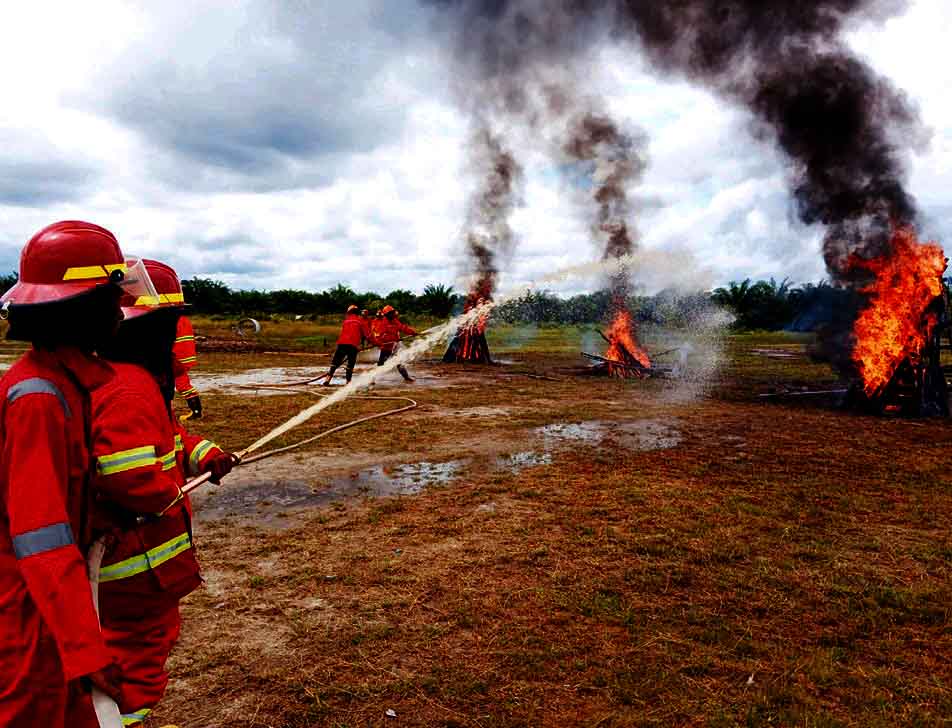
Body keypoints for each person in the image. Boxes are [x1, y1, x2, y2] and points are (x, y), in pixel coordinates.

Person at [83, 258, 236, 727]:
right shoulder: (130, 388)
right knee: (140, 657)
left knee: (126, 652)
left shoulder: (124, 380)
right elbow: (128, 475)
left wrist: (204, 454)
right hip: (138, 569)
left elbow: (167, 436)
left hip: (129, 571)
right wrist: (164, 493)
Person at [0, 220, 140, 726]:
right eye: (111, 297)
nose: (121, 311)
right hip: (28, 606)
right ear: (82, 309)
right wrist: (84, 648)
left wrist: (98, 514)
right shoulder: (39, 398)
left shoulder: (62, 385)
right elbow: (39, 536)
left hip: (50, 597)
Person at [324, 304, 372, 385]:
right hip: (352, 345)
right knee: (350, 364)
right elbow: (368, 335)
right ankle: (348, 382)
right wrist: (377, 343)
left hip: (341, 344)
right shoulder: (360, 321)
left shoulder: (346, 321)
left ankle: (327, 379)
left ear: (349, 312)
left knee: (335, 363)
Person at [376, 305, 417, 382]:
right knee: (381, 364)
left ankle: (406, 377)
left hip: (394, 347)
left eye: (393, 312)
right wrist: (392, 339)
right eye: (391, 313)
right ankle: (372, 379)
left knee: (399, 361)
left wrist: (412, 332)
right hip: (386, 348)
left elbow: (403, 327)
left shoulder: (395, 321)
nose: (393, 314)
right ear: (387, 314)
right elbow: (380, 336)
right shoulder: (383, 323)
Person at [173, 315, 202, 419]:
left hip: (176, 357)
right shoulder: (183, 319)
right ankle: (196, 411)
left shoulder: (169, 319)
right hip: (186, 356)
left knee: (182, 385)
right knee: (183, 383)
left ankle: (196, 411)